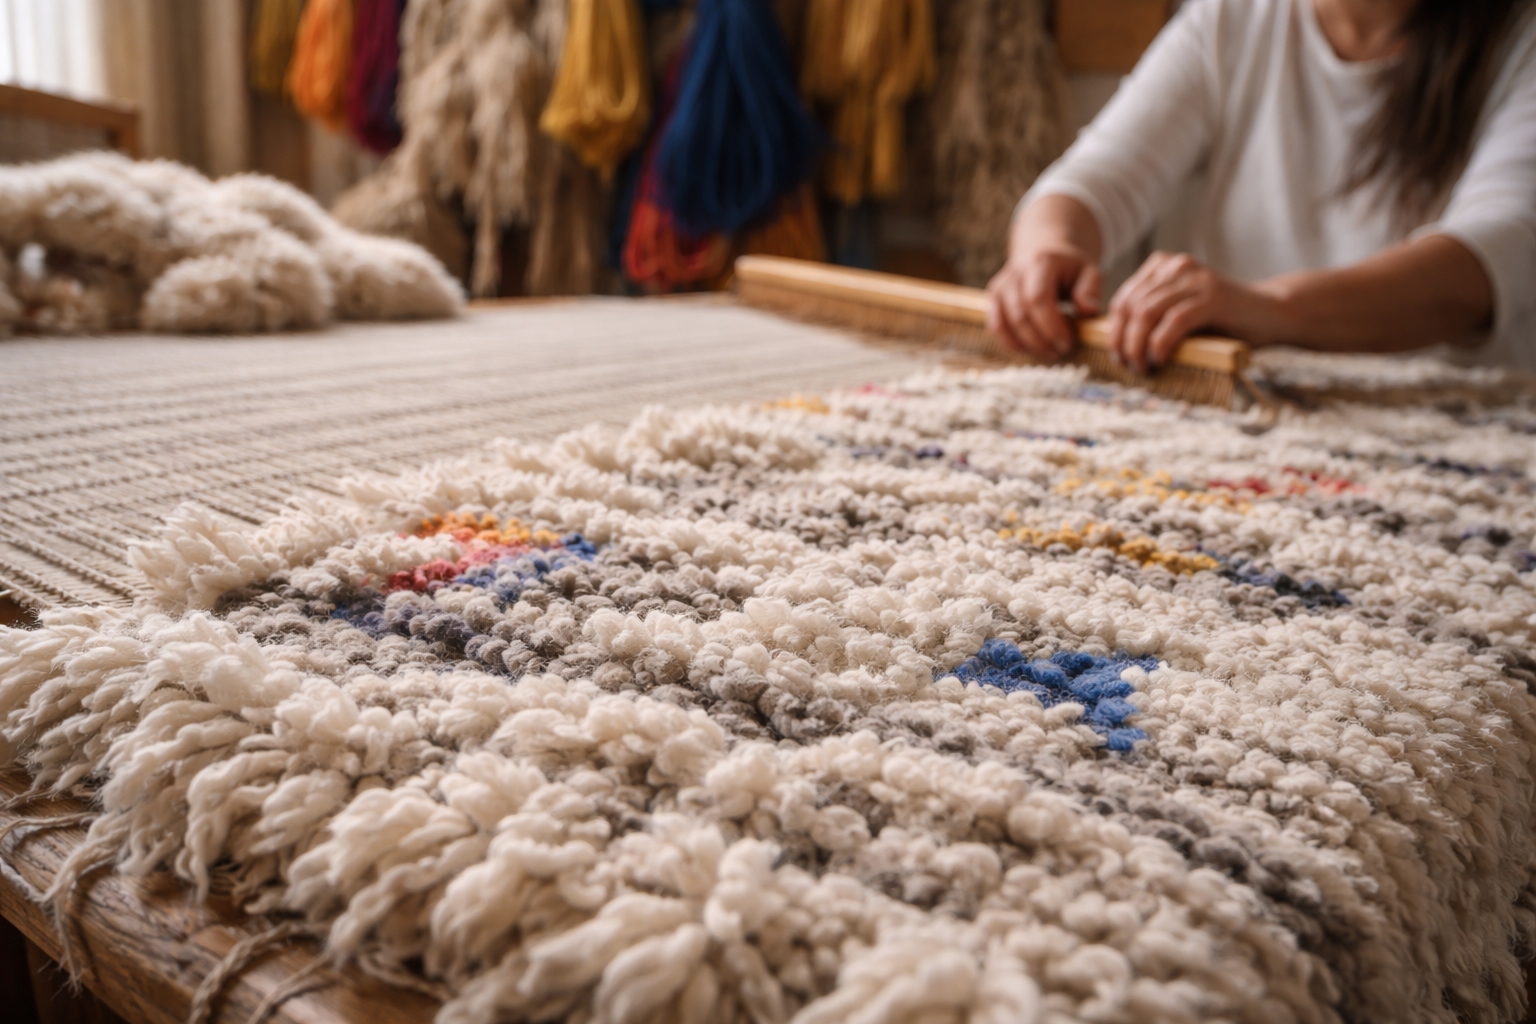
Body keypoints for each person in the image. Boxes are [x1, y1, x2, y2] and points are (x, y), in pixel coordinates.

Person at [988, 0, 1536, 372]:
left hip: (1455, 428)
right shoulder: (1233, 14)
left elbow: (1491, 255)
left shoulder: (1521, 38)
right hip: (1247, 408)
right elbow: (1096, 176)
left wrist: (1272, 309)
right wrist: (1046, 253)